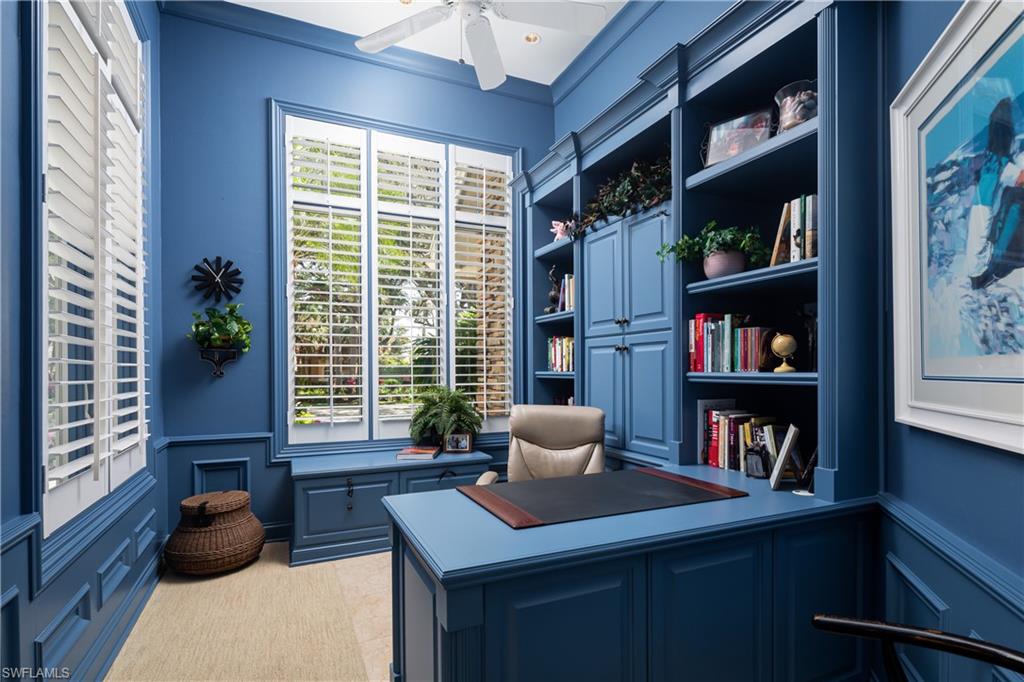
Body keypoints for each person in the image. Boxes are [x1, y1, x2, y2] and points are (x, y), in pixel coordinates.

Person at [968, 97, 1023, 289]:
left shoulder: (989, 161)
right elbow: (1020, 178)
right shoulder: (1001, 165)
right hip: (984, 267)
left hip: (975, 264)